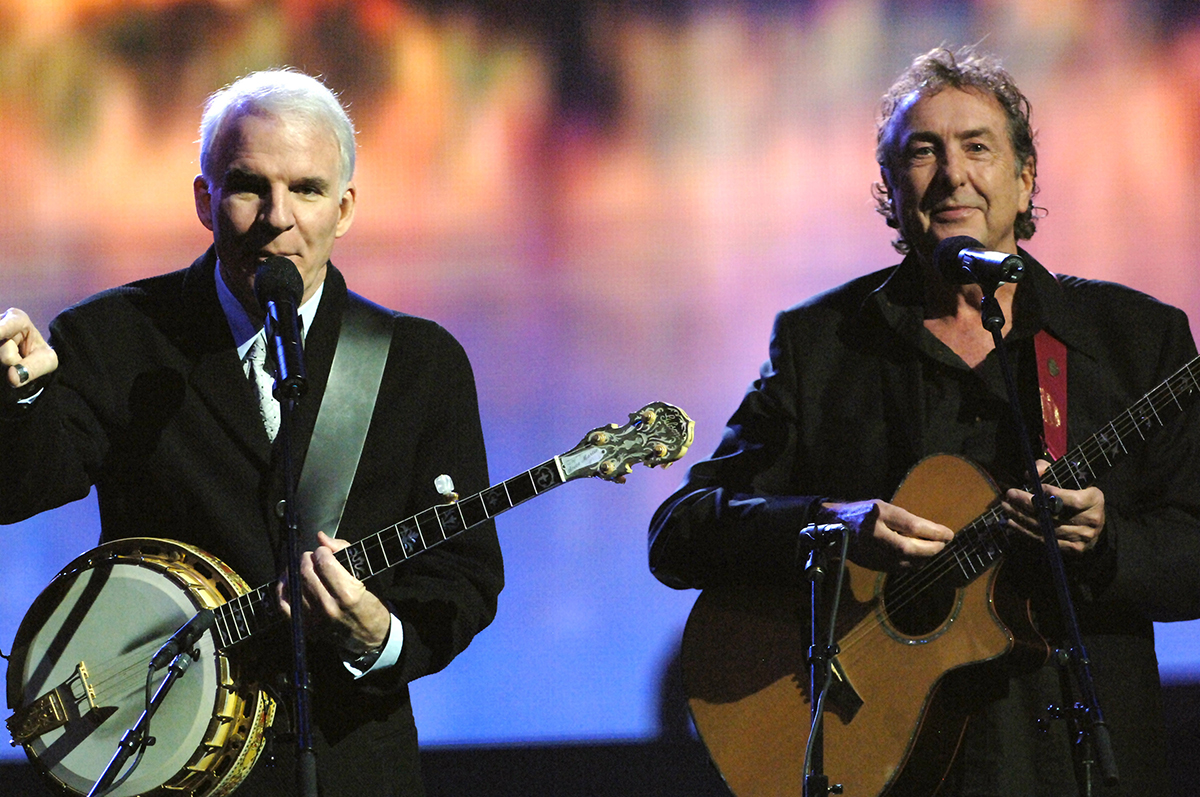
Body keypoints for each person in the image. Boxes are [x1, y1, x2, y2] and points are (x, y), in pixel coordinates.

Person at [649, 45, 1200, 796]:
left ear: (1025, 176)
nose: (953, 174)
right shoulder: (823, 343)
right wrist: (831, 525)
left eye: (979, 146)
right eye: (923, 151)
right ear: (890, 184)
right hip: (887, 765)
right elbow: (680, 531)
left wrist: (1108, 544)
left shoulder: (1135, 339)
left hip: (1078, 764)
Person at [1, 69, 503, 796]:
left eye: (306, 188)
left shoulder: (419, 364)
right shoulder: (116, 338)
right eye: (248, 186)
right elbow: (19, 485)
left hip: (352, 764)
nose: (278, 216)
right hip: (163, 769)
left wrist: (380, 636)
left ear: (345, 207)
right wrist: (17, 402)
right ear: (204, 200)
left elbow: (465, 573)